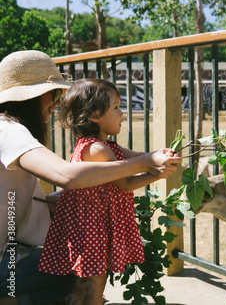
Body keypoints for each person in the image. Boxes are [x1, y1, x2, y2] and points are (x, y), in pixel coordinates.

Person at [0, 50, 182, 305]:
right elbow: (66, 175)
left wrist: (72, 201)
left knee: (82, 270)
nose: (57, 102)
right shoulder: (8, 131)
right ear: (34, 96)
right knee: (76, 268)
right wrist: (146, 162)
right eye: (55, 94)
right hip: (4, 261)